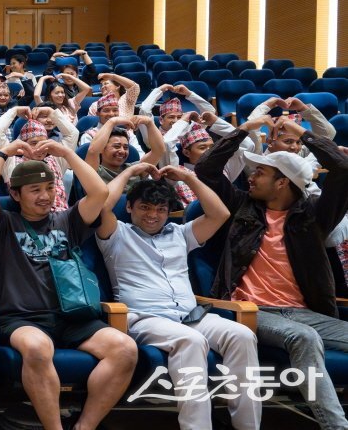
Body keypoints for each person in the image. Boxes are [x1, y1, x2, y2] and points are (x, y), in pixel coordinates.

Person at [196, 116, 348, 430]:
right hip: (251, 311)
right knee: (303, 337)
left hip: (303, 312)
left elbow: (343, 170)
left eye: (261, 172)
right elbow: (206, 169)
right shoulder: (242, 207)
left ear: (282, 183)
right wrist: (242, 131)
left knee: (303, 330)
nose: (251, 176)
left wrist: (304, 135)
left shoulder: (314, 218)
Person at [0, 139, 137, 430]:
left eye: (49, 188)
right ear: (15, 193)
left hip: (73, 316)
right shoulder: (6, 225)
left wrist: (65, 154)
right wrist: (4, 153)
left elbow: (99, 192)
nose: (44, 196)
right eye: (35, 190)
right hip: (25, 319)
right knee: (37, 348)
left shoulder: (67, 221)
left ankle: (84, 426)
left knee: (125, 349)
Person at [95, 162, 260, 430]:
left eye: (161, 210)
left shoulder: (180, 233)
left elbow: (219, 213)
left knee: (242, 335)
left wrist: (187, 176)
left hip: (190, 315)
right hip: (145, 319)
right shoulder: (117, 234)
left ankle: (247, 426)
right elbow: (101, 206)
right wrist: (128, 173)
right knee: (190, 340)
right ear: (129, 207)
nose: (153, 215)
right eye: (145, 207)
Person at [0, 108, 79, 213]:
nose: (40, 148)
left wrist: (52, 113)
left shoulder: (55, 161)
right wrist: (14, 111)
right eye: (33, 143)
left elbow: (73, 134)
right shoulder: (12, 164)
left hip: (61, 219)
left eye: (44, 143)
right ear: (22, 145)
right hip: (30, 222)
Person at [85, 115, 165, 189]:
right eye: (116, 146)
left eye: (126, 147)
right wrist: (112, 122)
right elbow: (92, 151)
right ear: (102, 149)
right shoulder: (95, 170)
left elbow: (159, 150)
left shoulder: (135, 169)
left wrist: (149, 123)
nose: (122, 151)